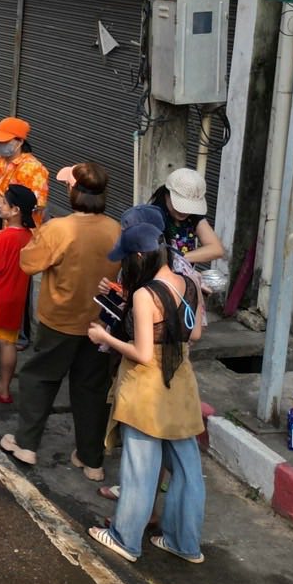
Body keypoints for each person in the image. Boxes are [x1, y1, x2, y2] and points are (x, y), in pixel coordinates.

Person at [86, 224, 206, 565]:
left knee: (141, 468)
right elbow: (194, 333)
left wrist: (105, 338)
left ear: (139, 256)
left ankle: (125, 538)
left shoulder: (144, 295)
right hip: (181, 384)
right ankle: (184, 543)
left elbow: (141, 353)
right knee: (187, 468)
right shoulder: (190, 283)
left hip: (147, 389)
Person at [0, 162, 120, 481]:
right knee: (92, 389)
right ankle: (91, 460)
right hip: (99, 324)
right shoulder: (115, 229)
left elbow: (29, 263)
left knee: (39, 378)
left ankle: (26, 443)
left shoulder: (59, 228)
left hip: (59, 319)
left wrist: (36, 235)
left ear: (74, 192)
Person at [0, 183, 39, 404]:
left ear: (15, 210)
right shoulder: (29, 237)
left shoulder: (1, 238)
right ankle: (4, 388)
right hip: (16, 298)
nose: (1, 206)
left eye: (5, 203)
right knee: (8, 343)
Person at [150, 168, 224, 268]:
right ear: (167, 195)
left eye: (189, 207)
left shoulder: (194, 216)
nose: (185, 212)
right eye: (181, 206)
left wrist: (180, 259)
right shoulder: (153, 217)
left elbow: (216, 249)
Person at [0, 117, 49, 229]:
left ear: (19, 142)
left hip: (21, 230)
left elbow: (38, 205)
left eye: (4, 141)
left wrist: (1, 202)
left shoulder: (34, 168)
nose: (0, 144)